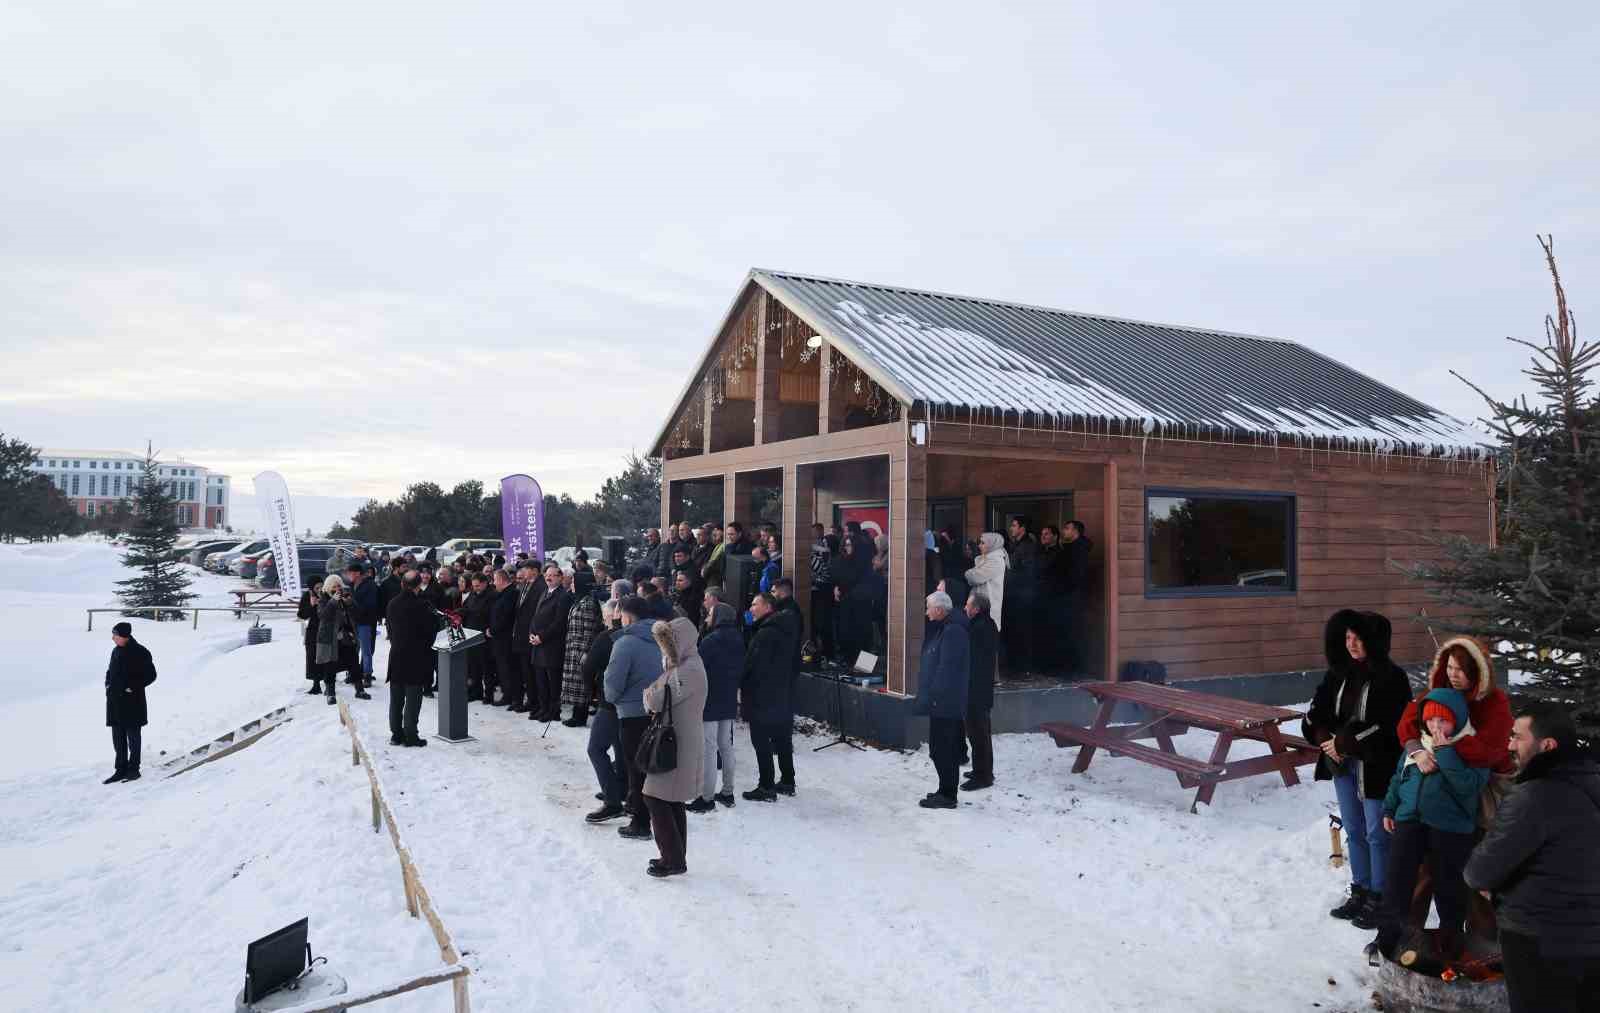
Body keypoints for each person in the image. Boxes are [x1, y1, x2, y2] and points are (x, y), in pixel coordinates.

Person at [1465, 703, 1600, 1013]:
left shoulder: (1532, 797)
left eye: (1517, 737)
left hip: (1540, 943)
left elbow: (1479, 872)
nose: (1509, 745)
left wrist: (1496, 886)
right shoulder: (1594, 779)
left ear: (1547, 746)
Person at [1393, 637, 1514, 933]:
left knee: (1474, 865)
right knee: (1423, 868)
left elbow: (1492, 749)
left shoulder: (1494, 702)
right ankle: (1407, 934)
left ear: (1477, 672)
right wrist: (1418, 749)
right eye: (1449, 667)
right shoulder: (1434, 695)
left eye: (1461, 669)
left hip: (1481, 791)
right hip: (1436, 795)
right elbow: (1407, 725)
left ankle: (1481, 937)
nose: (1453, 674)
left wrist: (1451, 744)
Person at [1304, 609, 1411, 930]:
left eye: (1358, 638)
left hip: (1377, 767)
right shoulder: (1339, 672)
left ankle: (1381, 898)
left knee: (1378, 834)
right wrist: (1326, 739)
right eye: (1347, 637)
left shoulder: (1393, 677)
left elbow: (1391, 725)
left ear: (1375, 640)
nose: (1351, 644)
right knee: (1353, 829)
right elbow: (1316, 711)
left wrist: (1346, 742)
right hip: (1342, 765)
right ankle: (1361, 890)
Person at [1374, 687, 1488, 964]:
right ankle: (1388, 940)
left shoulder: (1472, 746)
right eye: (1430, 720)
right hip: (1409, 821)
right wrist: (1390, 807)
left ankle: (1450, 945)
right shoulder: (1417, 744)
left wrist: (1445, 753)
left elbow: (1468, 788)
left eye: (1443, 721)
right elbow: (1399, 778)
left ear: (1457, 720)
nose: (1436, 726)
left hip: (1450, 827)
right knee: (1397, 881)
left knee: (1449, 887)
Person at [641, 617, 708, 878]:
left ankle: (672, 858)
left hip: (677, 742)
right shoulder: (685, 665)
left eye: (667, 643)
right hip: (678, 738)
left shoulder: (688, 669)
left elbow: (655, 699)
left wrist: (649, 692)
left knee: (654, 796)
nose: (663, 649)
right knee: (672, 798)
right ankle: (675, 855)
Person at [604, 596, 664, 841]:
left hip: (631, 712)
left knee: (635, 768)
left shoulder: (625, 643)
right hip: (658, 710)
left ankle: (640, 822)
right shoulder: (661, 637)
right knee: (651, 768)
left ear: (628, 616)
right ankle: (653, 816)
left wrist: (612, 698)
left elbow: (613, 683)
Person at [740, 592, 800, 801]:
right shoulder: (787, 629)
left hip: (763, 696)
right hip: (784, 693)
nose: (751, 608)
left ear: (768, 607)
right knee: (782, 739)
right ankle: (787, 780)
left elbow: (753, 666)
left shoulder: (765, 634)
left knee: (761, 740)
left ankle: (766, 786)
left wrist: (743, 686)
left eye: (755, 604)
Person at [914, 591, 970, 809]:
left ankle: (948, 795)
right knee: (939, 749)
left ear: (939, 609)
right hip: (942, 701)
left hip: (946, 702)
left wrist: (934, 695)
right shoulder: (946, 628)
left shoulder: (953, 631)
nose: (926, 611)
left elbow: (947, 668)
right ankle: (944, 790)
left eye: (928, 607)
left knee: (943, 749)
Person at [583, 592, 631, 824]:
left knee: (596, 748)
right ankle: (624, 790)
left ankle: (613, 801)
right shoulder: (643, 637)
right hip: (632, 704)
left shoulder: (608, 638)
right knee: (621, 748)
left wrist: (593, 690)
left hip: (611, 702)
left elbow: (588, 667)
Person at [691, 603, 743, 813]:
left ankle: (706, 797)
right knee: (726, 745)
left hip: (710, 699)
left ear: (719, 617)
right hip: (729, 697)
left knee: (709, 749)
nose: (707, 617)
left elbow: (698, 668)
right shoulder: (739, 638)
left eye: (710, 614)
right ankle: (728, 792)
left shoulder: (711, 640)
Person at [385, 570, 434, 748]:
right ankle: (411, 735)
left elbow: (389, 629)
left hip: (397, 653)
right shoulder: (422, 605)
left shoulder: (392, 604)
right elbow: (430, 632)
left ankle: (396, 734)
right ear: (419, 585)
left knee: (396, 698)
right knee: (413, 697)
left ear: (402, 584)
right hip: (416, 655)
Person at [104, 621, 157, 783]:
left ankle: (134, 770)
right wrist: (107, 684)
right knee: (118, 738)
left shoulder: (140, 652)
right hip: (115, 702)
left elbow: (151, 675)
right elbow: (110, 671)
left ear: (125, 636)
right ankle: (120, 769)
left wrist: (131, 687)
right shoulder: (116, 651)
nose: (113, 638)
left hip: (132, 703)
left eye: (116, 635)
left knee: (133, 738)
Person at [962, 589, 999, 791]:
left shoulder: (980, 628)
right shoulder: (983, 624)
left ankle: (983, 776)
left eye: (968, 604)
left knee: (979, 733)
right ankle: (980, 770)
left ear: (976, 608)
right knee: (977, 733)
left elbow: (973, 661)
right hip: (978, 689)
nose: (965, 607)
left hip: (977, 690)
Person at [529, 563, 571, 722]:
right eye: (547, 574)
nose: (549, 577)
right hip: (537, 644)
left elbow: (559, 623)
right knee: (540, 681)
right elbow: (536, 616)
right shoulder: (545, 592)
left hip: (551, 645)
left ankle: (553, 711)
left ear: (560, 578)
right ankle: (543, 708)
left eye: (553, 575)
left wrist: (542, 637)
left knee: (552, 682)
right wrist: (531, 634)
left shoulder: (563, 596)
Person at [561, 571, 602, 727]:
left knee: (580, 684)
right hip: (573, 646)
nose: (571, 585)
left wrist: (585, 652)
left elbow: (589, 631)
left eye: (573, 582)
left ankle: (580, 716)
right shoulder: (580, 600)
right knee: (575, 684)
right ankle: (576, 714)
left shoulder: (588, 604)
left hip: (581, 649)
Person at [1002, 515, 1038, 677]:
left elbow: (1027, 571)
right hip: (1013, 595)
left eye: (1014, 525)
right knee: (1014, 631)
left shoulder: (1028, 546)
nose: (1011, 528)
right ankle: (1016, 666)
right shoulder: (1014, 545)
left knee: (1023, 631)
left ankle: (1024, 668)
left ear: (1022, 528)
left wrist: (1011, 575)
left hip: (1023, 595)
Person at [1059, 520, 1094, 674]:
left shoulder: (1078, 550)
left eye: (1067, 529)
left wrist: (1066, 590)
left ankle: (1074, 669)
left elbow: (1076, 575)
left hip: (1073, 597)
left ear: (1075, 532)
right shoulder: (1072, 548)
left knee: (1073, 633)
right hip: (1072, 596)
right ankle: (1072, 668)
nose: (1063, 531)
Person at [509, 562, 543, 712]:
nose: (523, 572)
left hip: (530, 635)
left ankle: (533, 701)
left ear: (534, 571)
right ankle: (525, 699)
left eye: (526, 569)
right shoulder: (525, 585)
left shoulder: (540, 586)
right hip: (519, 635)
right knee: (523, 671)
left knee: (531, 672)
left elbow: (537, 613)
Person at [487, 568, 519, 706]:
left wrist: (493, 630)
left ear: (500, 580)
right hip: (499, 637)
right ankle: (509, 694)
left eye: (495, 580)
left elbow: (505, 617)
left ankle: (509, 696)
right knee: (503, 668)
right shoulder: (503, 594)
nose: (494, 583)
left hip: (505, 638)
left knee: (507, 668)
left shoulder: (511, 594)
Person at [346, 562, 379, 688]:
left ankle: (367, 675)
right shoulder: (351, 585)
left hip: (365, 622)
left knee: (366, 651)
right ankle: (354, 673)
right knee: (353, 649)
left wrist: (352, 603)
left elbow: (370, 605)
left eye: (350, 573)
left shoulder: (370, 585)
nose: (348, 575)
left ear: (357, 573)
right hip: (353, 621)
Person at [460, 572, 493, 702]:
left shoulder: (491, 595)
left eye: (478, 586)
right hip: (471, 635)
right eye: (474, 586)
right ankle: (476, 691)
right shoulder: (473, 594)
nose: (476, 588)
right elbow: (467, 608)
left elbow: (489, 614)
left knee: (486, 667)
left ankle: (488, 694)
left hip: (484, 636)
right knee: (474, 667)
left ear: (485, 583)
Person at [298, 584, 323, 695]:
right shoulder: (306, 596)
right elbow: (302, 615)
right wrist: (311, 605)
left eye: (321, 586)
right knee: (312, 657)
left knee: (326, 657)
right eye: (316, 587)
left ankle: (329, 684)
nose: (319, 589)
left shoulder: (326, 594)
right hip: (312, 630)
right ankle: (316, 684)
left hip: (326, 630)